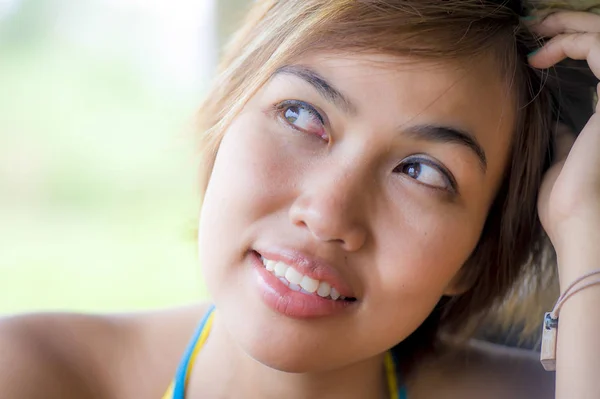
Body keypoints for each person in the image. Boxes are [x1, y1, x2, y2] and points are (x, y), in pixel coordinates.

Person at [1, 1, 600, 398]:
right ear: (225, 114)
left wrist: (586, 218)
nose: (327, 213)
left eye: (421, 171)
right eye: (301, 114)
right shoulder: (33, 374)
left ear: (475, 254)